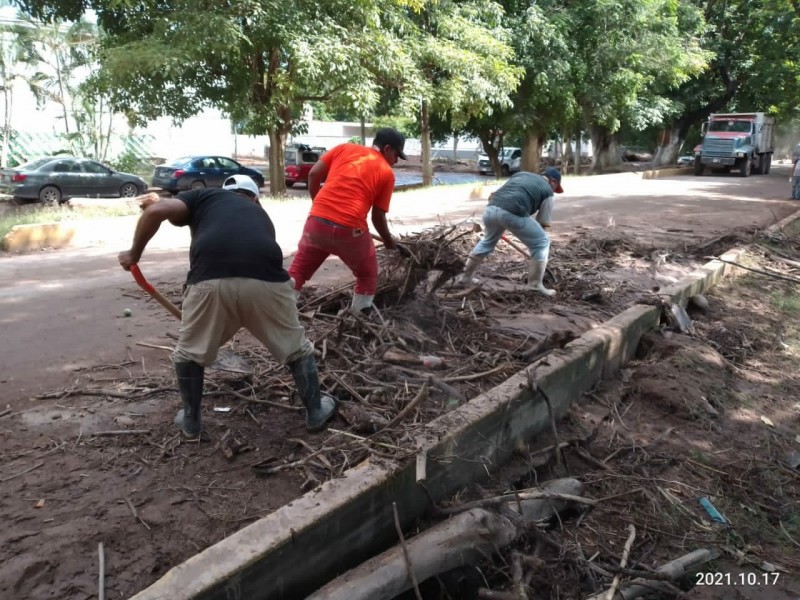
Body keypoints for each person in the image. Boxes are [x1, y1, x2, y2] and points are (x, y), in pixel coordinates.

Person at [118, 175, 336, 437]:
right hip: (267, 283)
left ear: (225, 192)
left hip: (210, 284)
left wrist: (134, 253)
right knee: (296, 348)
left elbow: (158, 210)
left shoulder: (205, 196)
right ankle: (315, 410)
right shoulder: (260, 214)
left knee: (189, 353)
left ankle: (191, 421)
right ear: (255, 197)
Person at [288, 127, 409, 313]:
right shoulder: (386, 173)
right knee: (367, 275)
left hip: (316, 223)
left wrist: (318, 205)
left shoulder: (344, 148)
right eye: (397, 156)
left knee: (298, 271)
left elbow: (313, 174)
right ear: (387, 149)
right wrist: (388, 241)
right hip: (350, 230)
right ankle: (358, 319)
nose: (396, 162)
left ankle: (280, 313)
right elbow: (378, 217)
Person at [458, 167, 564, 296]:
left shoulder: (521, 174)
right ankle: (535, 285)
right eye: (556, 187)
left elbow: (497, 195)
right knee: (542, 242)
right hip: (511, 213)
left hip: (490, 209)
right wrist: (537, 250)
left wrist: (500, 222)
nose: (554, 191)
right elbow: (542, 223)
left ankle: (465, 277)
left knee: (487, 242)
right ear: (553, 181)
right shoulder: (548, 191)